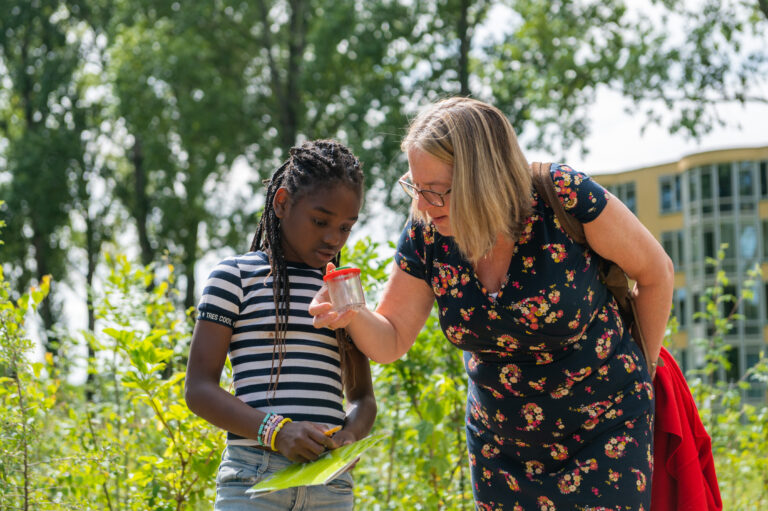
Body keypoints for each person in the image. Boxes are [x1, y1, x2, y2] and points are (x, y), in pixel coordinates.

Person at [310, 98, 674, 509]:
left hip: (605, 431)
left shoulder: (562, 196)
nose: (425, 206)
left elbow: (655, 272)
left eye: (439, 191)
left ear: (481, 179)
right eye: (416, 187)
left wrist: (646, 368)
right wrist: (352, 313)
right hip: (501, 450)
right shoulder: (427, 234)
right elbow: (391, 339)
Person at [185, 139, 377, 511]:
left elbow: (362, 398)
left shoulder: (339, 290)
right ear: (283, 202)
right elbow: (199, 388)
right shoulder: (234, 277)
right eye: (321, 221)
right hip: (253, 477)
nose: (333, 238)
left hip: (330, 485)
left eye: (346, 227)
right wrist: (276, 431)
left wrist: (351, 434)